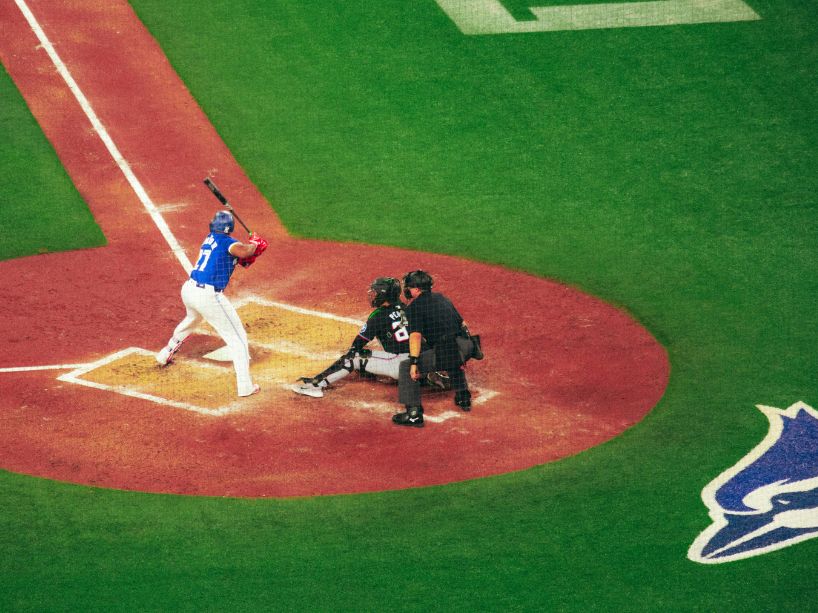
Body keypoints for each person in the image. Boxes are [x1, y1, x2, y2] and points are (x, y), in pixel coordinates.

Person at [156, 210, 268, 397]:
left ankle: (166, 352)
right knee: (238, 340)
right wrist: (255, 244)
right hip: (208, 297)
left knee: (192, 320)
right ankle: (245, 386)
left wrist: (254, 250)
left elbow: (244, 260)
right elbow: (245, 251)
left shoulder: (210, 239)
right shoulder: (229, 243)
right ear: (229, 228)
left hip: (190, 290)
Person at [292, 277, 413, 398]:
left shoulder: (379, 315)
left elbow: (358, 343)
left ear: (384, 295)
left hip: (400, 367)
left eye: (376, 292)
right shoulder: (408, 309)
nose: (373, 295)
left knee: (353, 356)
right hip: (419, 364)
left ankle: (316, 385)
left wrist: (354, 353)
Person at [392, 270, 481, 428]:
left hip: (449, 350)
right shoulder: (442, 298)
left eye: (409, 287)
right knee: (450, 354)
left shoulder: (414, 307)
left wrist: (414, 363)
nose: (407, 290)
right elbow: (463, 324)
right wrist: (463, 354)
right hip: (467, 346)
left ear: (417, 289)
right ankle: (463, 396)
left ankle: (413, 414)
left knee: (406, 367)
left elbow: (415, 337)